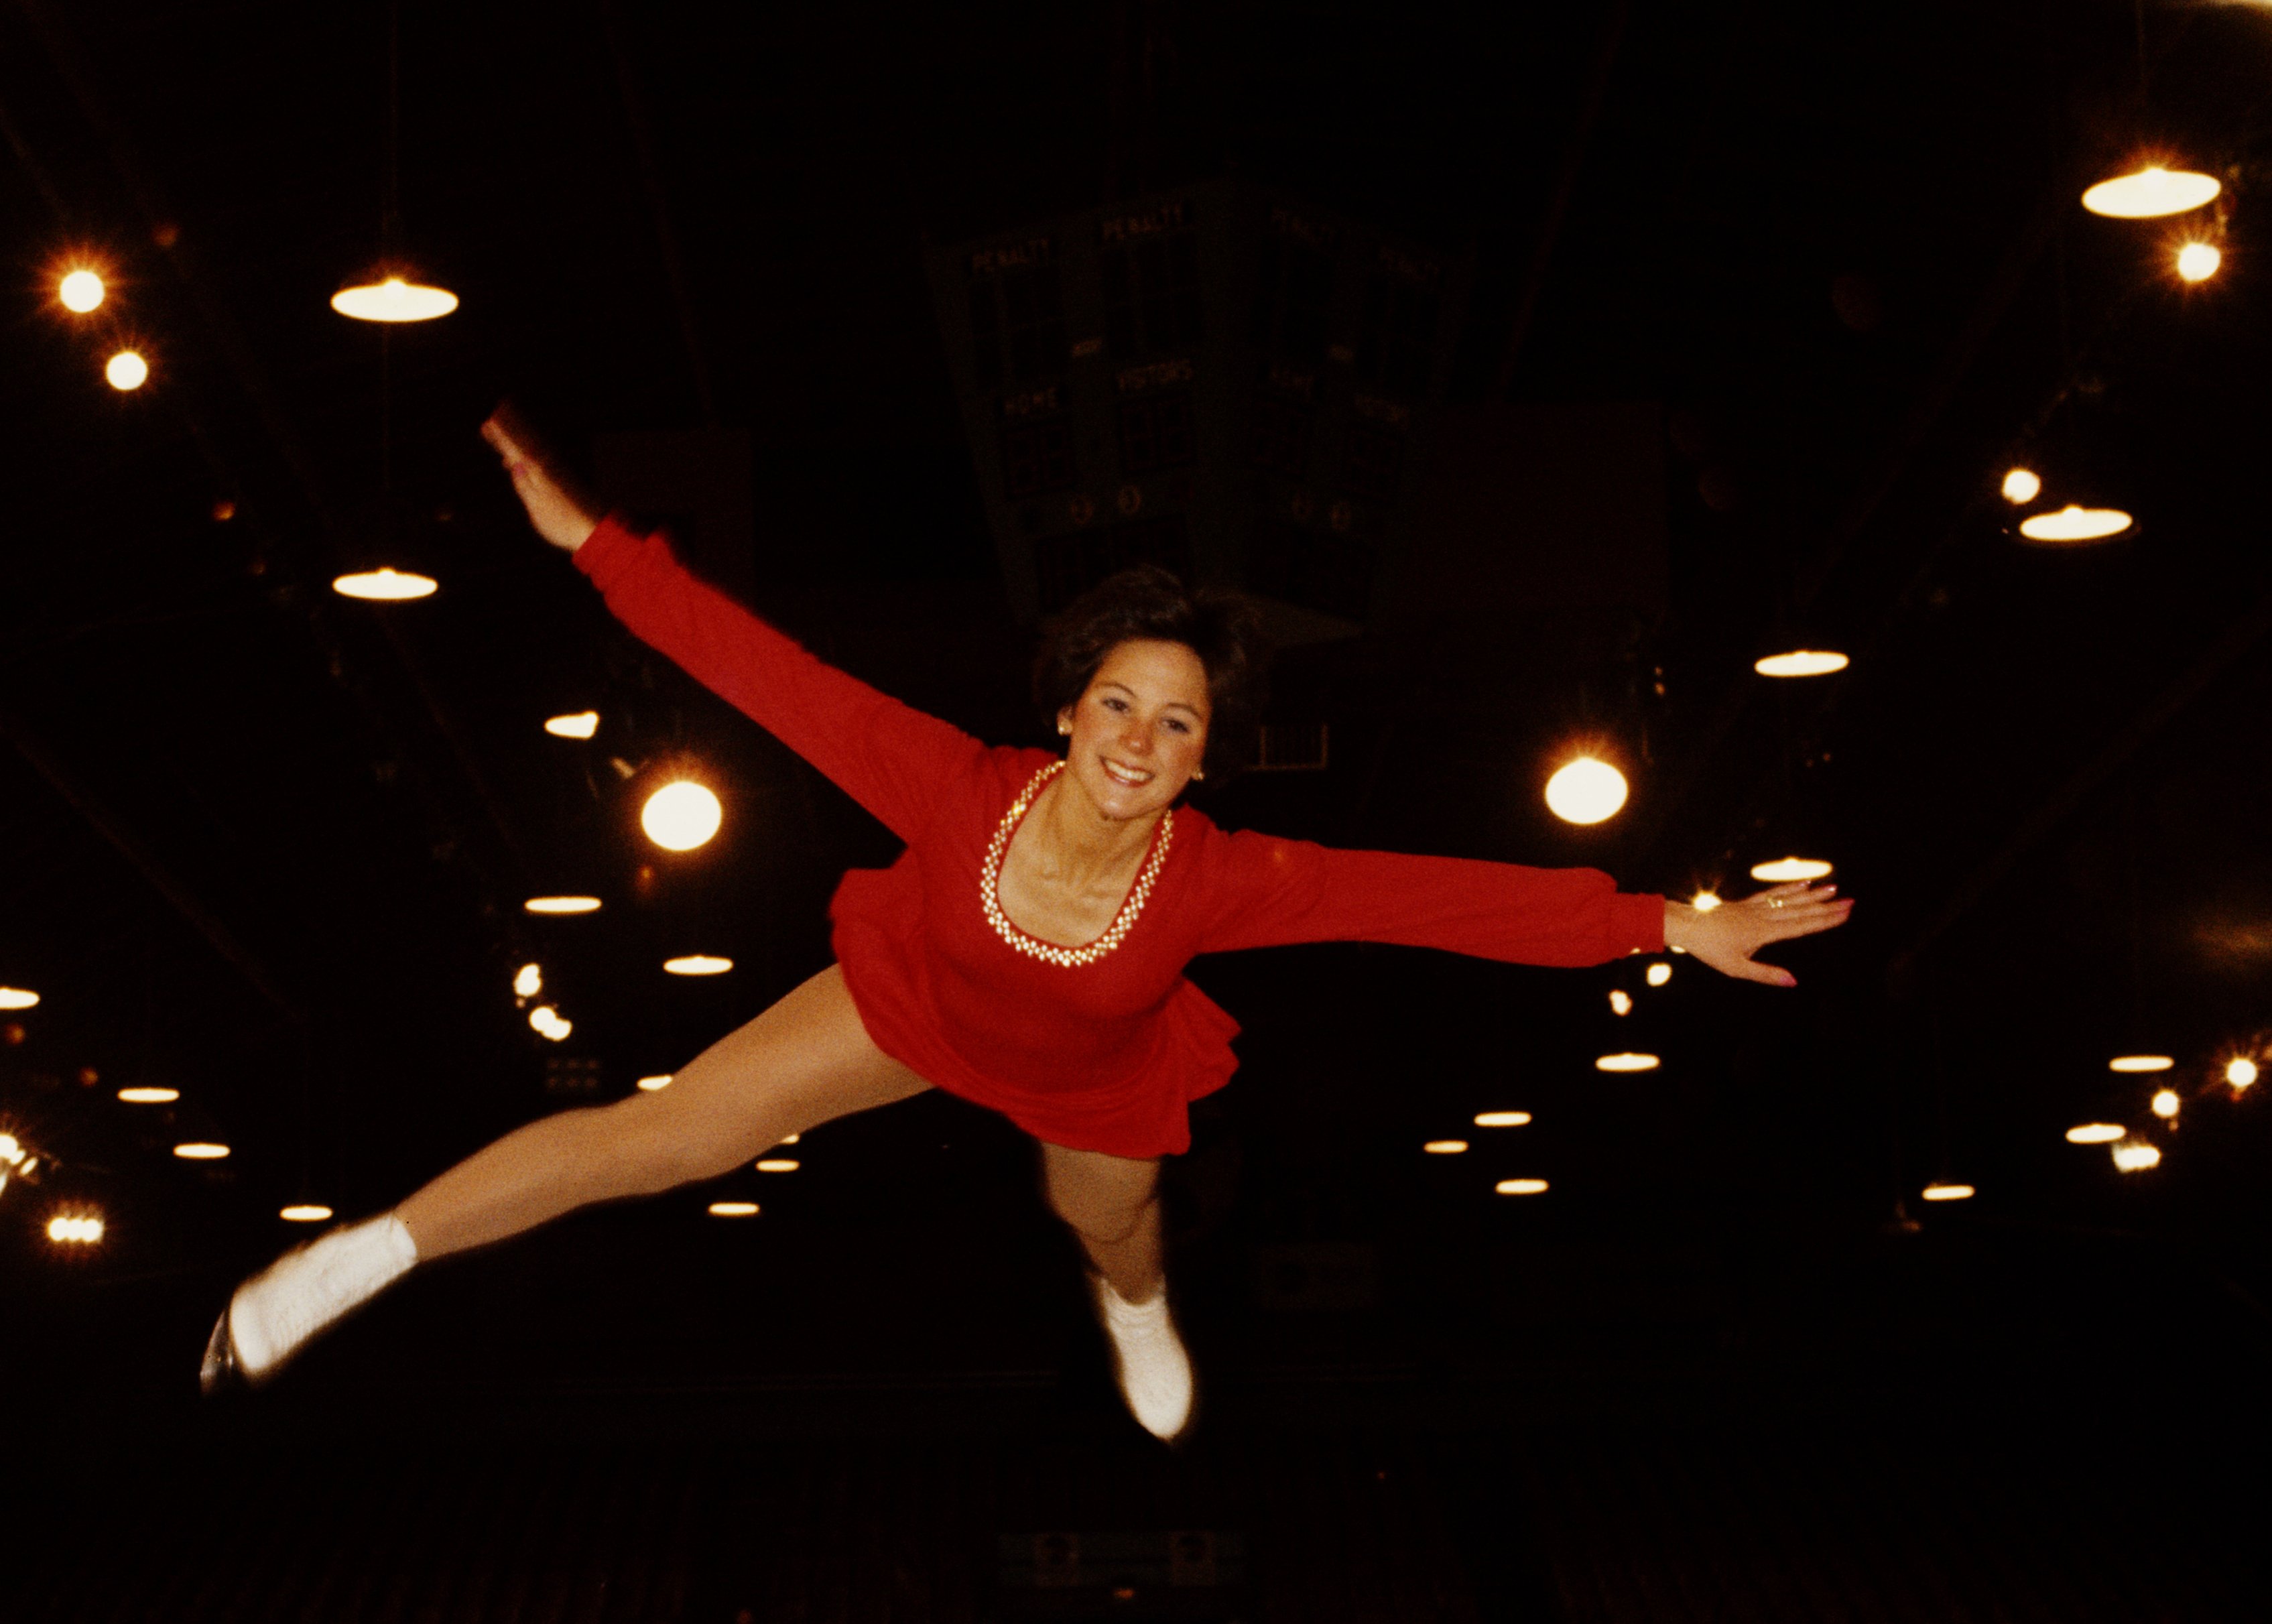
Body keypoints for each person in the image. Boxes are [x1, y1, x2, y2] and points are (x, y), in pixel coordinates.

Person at [198, 415, 1854, 1440]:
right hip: (908, 1001)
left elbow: (1431, 897)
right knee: (661, 1132)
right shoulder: (956, 782)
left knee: (1117, 1239)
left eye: (1182, 722)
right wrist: (601, 553)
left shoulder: (1219, 875)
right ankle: (364, 1254)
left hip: (1089, 1073)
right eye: (1121, 703)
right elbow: (770, 676)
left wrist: (1662, 923)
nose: (1144, 738)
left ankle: (1135, 1313)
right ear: (1069, 715)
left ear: (1206, 759)